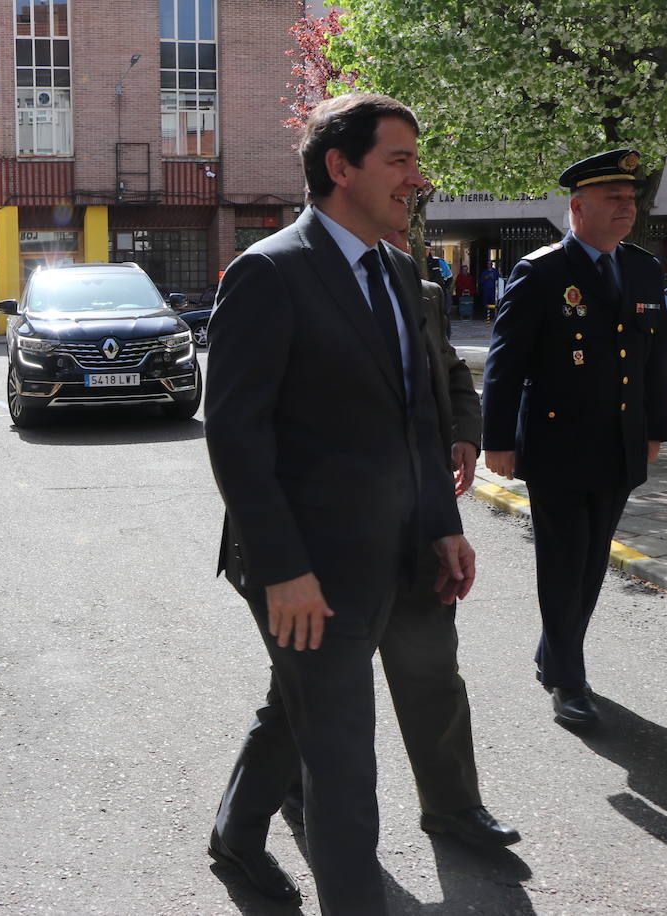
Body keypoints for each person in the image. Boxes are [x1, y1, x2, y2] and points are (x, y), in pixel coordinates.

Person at [204, 93, 475, 914]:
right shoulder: (268, 272)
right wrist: (284, 570)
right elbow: (236, 437)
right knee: (343, 758)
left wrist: (442, 526)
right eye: (400, 160)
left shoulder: (398, 272)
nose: (417, 179)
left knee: (296, 713)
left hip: (397, 551)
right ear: (340, 167)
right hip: (305, 568)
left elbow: (418, 417)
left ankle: (235, 835)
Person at [273, 229, 519, 848]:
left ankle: (453, 805)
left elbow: (448, 374)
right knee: (314, 684)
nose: (405, 206)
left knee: (433, 669)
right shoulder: (293, 280)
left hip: (417, 519)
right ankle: (293, 791)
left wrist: (465, 432)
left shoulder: (420, 289)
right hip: (337, 530)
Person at [483, 149, 667, 727]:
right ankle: (568, 680)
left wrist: (654, 429)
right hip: (557, 445)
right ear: (578, 206)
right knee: (564, 563)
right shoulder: (541, 272)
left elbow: (653, 360)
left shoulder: (642, 269)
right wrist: (498, 439)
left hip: (621, 442)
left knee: (591, 563)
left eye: (630, 198)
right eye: (613, 198)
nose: (626, 208)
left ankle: (554, 652)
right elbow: (505, 363)